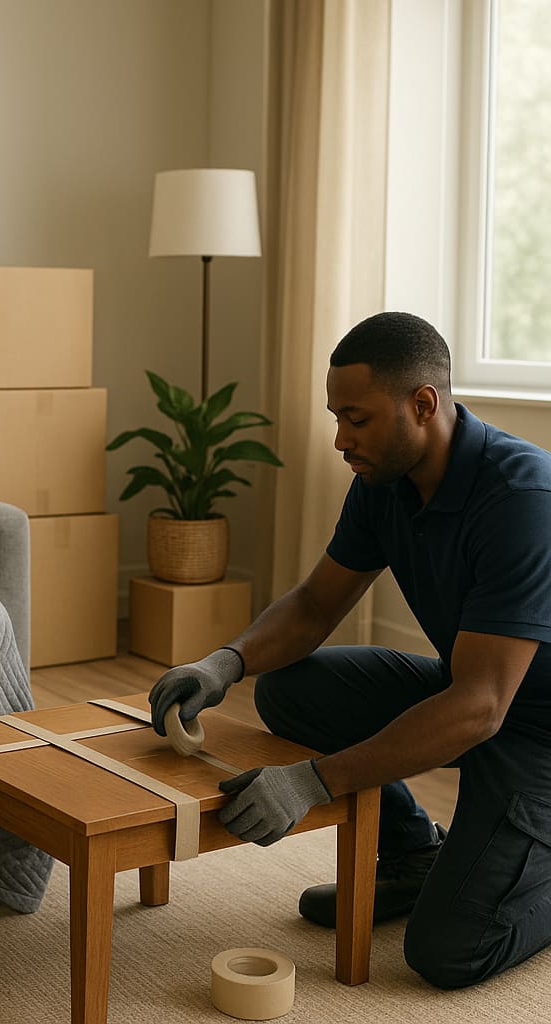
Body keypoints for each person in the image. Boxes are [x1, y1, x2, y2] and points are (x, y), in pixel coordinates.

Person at [149, 311, 551, 990]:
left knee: (449, 950)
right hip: (477, 694)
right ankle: (413, 850)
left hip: (535, 735)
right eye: (337, 416)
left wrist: (316, 780)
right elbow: (313, 606)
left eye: (356, 419)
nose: (340, 439)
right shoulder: (382, 484)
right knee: (287, 688)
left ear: (422, 405)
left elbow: (482, 708)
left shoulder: (522, 499)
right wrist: (223, 663)